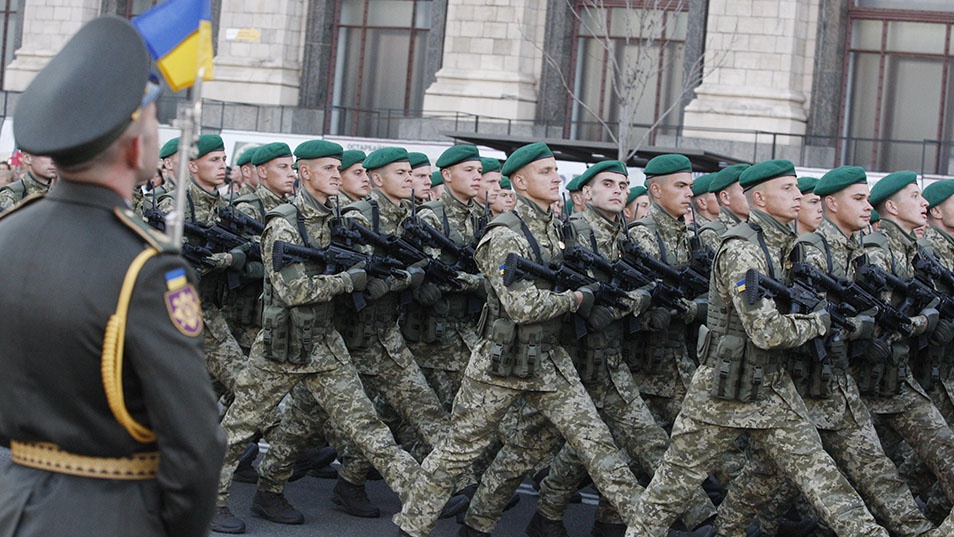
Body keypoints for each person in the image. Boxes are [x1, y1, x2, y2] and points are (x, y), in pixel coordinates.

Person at [0, 15, 224, 537]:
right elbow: (195, 446)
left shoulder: (7, 232)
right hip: (111, 512)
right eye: (153, 122)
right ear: (134, 146)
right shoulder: (148, 267)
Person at [625, 159, 891, 537]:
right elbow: (765, 331)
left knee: (820, 479)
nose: (798, 195)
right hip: (723, 387)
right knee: (672, 487)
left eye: (796, 187)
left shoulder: (789, 247)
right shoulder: (742, 251)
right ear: (760, 199)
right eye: (787, 188)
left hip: (771, 384)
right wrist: (821, 323)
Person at [394, 143, 645, 537]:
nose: (556, 178)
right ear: (521, 182)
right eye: (545, 172)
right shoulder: (504, 234)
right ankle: (412, 527)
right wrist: (577, 299)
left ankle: (645, 527)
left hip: (547, 357)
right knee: (458, 450)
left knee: (597, 445)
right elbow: (521, 306)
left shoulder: (558, 230)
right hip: (501, 358)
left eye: (555, 171)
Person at [716, 166, 939, 537]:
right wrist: (850, 326)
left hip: (837, 384)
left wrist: (879, 324)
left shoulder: (857, 253)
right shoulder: (810, 252)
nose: (868, 206)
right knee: (768, 478)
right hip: (802, 387)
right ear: (832, 204)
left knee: (873, 471)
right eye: (859, 198)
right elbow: (792, 320)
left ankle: (916, 530)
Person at [857, 171, 954, 530]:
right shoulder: (878, 252)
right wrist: (925, 322)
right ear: (893, 207)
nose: (923, 203)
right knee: (863, 474)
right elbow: (875, 319)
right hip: (867, 384)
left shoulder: (912, 251)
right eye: (915, 196)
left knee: (932, 457)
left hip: (901, 380)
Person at [697, 162, 750, 251]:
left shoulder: (754, 227)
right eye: (745, 191)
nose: (752, 196)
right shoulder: (712, 234)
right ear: (725, 197)